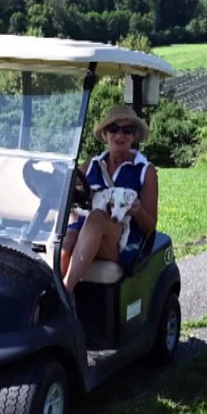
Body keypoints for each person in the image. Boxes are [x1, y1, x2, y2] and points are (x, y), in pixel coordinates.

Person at [61, 104, 159, 292]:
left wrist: (137, 211)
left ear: (134, 135)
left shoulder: (144, 170)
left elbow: (150, 227)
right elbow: (67, 189)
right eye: (113, 129)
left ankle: (65, 292)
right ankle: (54, 300)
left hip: (121, 242)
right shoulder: (91, 164)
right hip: (84, 234)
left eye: (127, 130)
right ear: (105, 135)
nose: (119, 135)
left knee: (97, 217)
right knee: (66, 240)